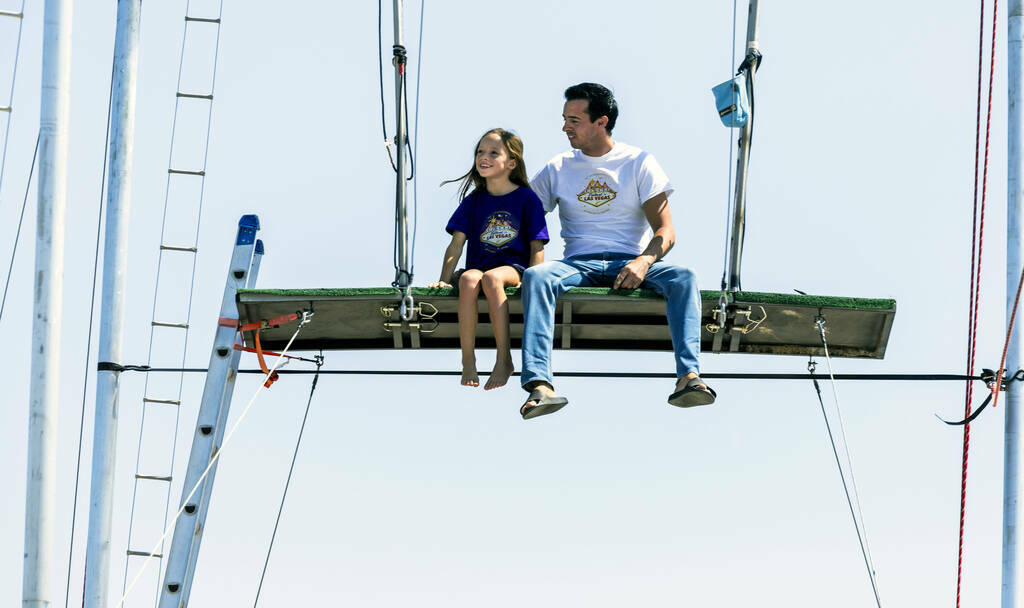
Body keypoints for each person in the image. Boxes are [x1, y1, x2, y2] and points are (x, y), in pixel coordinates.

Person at [518, 83, 716, 420]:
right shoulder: (558, 167)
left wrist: (644, 261)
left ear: (601, 122)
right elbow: (519, 217)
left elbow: (665, 231)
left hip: (631, 261)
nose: (565, 127)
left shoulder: (638, 162)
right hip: (578, 264)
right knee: (537, 276)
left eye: (574, 120)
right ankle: (540, 386)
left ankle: (689, 377)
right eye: (565, 119)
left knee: (684, 276)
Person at [429, 128, 549, 390]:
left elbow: (537, 245)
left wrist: (532, 279)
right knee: (470, 279)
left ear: (512, 163)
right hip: (478, 267)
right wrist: (443, 280)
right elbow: (456, 244)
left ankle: (503, 357)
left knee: (493, 278)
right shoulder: (474, 201)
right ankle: (467, 359)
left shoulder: (527, 199)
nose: (484, 157)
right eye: (480, 152)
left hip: (513, 269)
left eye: (494, 153)